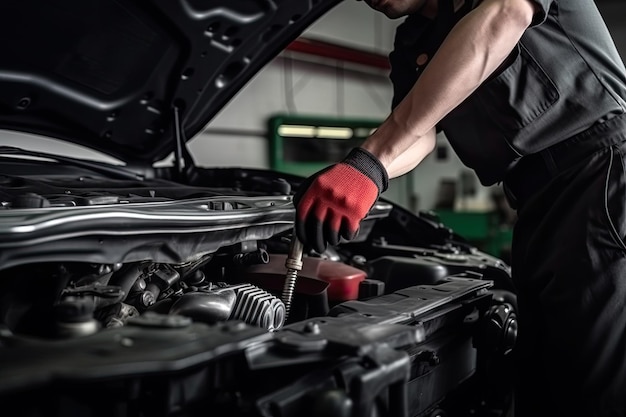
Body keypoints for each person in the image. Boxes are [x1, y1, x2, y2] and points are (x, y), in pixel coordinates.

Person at [293, 0, 626, 415]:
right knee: (542, 382)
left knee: (593, 388)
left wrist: (371, 160)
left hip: (605, 177)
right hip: (537, 206)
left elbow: (507, 13)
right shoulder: (413, 42)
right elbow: (421, 132)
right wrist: (357, 169)